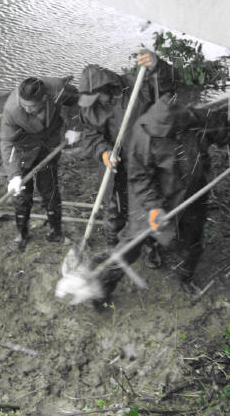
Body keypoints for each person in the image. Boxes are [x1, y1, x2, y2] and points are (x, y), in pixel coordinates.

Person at [92, 91, 230, 309]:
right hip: (151, 195)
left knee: (192, 239)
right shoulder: (143, 133)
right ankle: (101, 288)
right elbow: (139, 176)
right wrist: (153, 208)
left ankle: (185, 276)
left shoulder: (196, 119)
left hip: (192, 190)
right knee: (131, 244)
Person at [72, 50, 170, 266]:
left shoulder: (136, 86)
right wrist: (103, 151)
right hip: (113, 164)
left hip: (142, 159)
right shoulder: (89, 109)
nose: (95, 103)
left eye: (97, 98)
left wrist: (158, 66)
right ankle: (113, 248)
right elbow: (90, 134)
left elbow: (166, 86)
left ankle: (150, 245)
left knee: (146, 202)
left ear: (106, 88)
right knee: (113, 208)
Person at [0, 75, 78, 250]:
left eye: (32, 106)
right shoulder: (12, 109)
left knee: (49, 189)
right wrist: (14, 176)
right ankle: (22, 234)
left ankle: (56, 232)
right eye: (24, 105)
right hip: (24, 150)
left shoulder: (57, 90)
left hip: (49, 146)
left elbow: (77, 102)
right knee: (21, 194)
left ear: (44, 98)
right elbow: (7, 142)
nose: (27, 109)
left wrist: (73, 128)